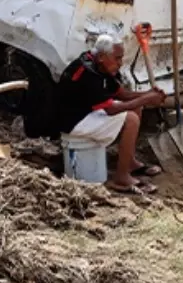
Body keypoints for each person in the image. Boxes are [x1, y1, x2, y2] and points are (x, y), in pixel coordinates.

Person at [56, 34, 166, 194]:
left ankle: (129, 162)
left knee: (136, 109)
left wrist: (147, 94)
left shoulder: (101, 64)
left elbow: (122, 94)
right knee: (131, 119)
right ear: (101, 57)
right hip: (72, 121)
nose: (120, 63)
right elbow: (111, 110)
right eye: (117, 58)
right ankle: (121, 178)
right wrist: (147, 99)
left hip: (85, 111)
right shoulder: (88, 73)